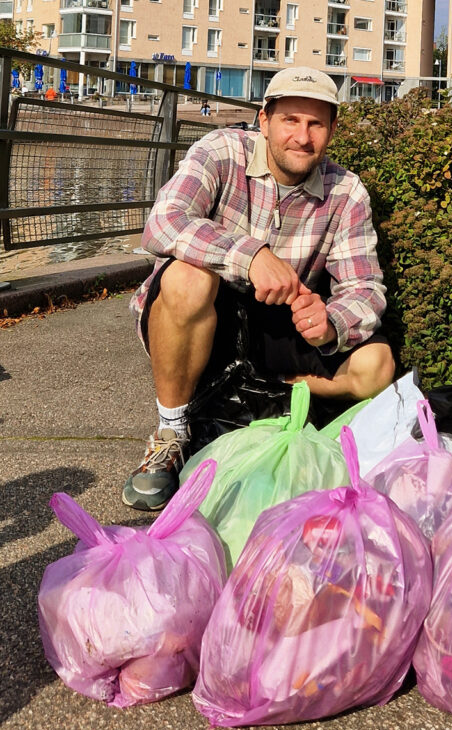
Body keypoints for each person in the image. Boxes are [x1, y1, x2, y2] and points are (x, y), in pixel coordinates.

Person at [123, 66, 394, 511]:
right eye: (290, 119)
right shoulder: (220, 151)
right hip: (214, 312)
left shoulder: (346, 191)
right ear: (263, 120)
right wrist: (250, 255)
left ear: (332, 130)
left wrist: (331, 323)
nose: (302, 137)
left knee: (376, 366)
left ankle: (262, 396)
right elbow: (162, 225)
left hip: (283, 321)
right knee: (187, 277)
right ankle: (171, 432)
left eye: (316, 123)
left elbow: (365, 286)